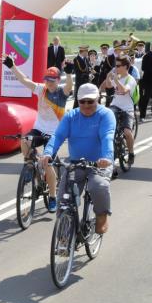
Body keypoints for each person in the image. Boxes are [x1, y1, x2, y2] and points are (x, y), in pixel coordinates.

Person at [42, 83, 114, 234]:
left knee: (99, 186)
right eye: (82, 101)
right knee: (64, 197)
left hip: (99, 164)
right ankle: (64, 233)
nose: (86, 105)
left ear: (98, 99)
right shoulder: (71, 116)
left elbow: (107, 137)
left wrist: (106, 157)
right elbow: (58, 136)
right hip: (76, 163)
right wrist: (48, 153)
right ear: (78, 100)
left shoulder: (106, 115)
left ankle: (102, 216)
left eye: (90, 101)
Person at [4, 58, 72, 212]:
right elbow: (24, 80)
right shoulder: (41, 89)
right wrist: (12, 66)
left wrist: (69, 73)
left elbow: (69, 86)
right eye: (47, 79)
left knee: (47, 164)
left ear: (58, 80)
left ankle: (53, 197)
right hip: (39, 129)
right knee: (24, 140)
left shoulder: (62, 92)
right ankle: (30, 166)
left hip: (55, 133)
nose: (49, 83)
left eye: (52, 80)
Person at [104, 55, 137, 171]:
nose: (116, 68)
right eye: (115, 66)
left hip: (127, 109)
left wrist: (117, 80)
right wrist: (108, 77)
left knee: (127, 132)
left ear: (126, 67)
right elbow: (108, 85)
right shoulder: (117, 77)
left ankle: (131, 153)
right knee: (109, 129)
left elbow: (124, 90)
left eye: (118, 66)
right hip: (115, 106)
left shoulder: (130, 79)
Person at [71, 45, 92, 109]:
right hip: (80, 82)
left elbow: (89, 67)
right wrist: (87, 75)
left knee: (85, 97)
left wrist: (91, 72)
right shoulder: (76, 59)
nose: (87, 53)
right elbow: (78, 72)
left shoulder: (86, 58)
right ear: (83, 51)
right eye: (86, 51)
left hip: (86, 81)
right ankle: (75, 110)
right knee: (78, 98)